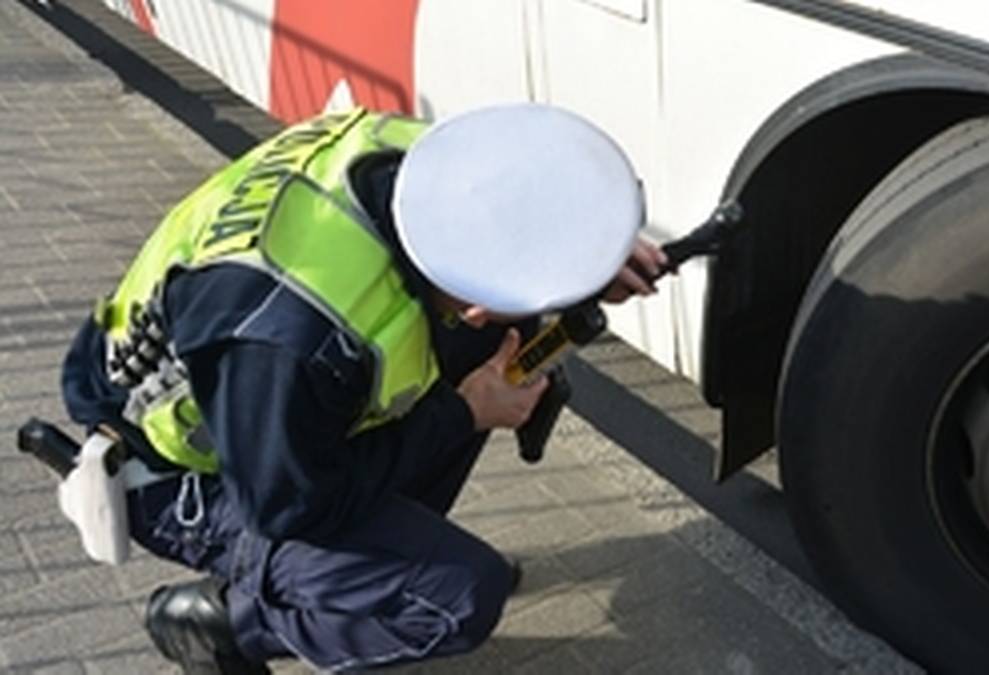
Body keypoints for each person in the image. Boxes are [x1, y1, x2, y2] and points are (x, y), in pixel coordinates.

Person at [59, 103, 666, 673]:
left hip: (267, 408)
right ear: (478, 303)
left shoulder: (424, 167)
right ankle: (226, 623)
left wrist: (586, 253)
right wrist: (461, 416)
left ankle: (382, 563)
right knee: (459, 596)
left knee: (484, 364)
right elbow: (286, 506)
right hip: (180, 474)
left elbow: (512, 207)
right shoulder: (292, 335)